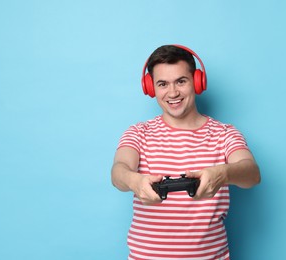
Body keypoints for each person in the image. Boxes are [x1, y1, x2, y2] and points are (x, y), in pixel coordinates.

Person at [111, 44, 261, 260]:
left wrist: (223, 174)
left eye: (181, 81)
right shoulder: (138, 132)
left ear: (197, 82)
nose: (173, 93)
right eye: (162, 84)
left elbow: (252, 174)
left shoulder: (225, 133)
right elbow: (118, 172)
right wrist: (134, 181)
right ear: (150, 88)